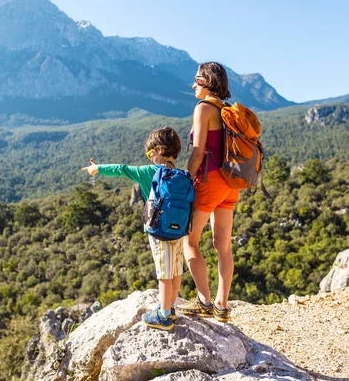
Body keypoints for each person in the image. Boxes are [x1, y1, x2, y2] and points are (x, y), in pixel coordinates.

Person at [82, 127, 184, 331]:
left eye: (150, 153)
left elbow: (122, 169)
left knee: (163, 272)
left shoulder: (148, 172)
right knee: (176, 269)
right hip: (179, 229)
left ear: (160, 149)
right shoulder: (182, 174)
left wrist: (97, 169)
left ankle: (164, 316)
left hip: (158, 230)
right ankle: (171, 307)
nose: (149, 157)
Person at [176, 62, 238, 322]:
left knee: (189, 241)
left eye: (196, 79)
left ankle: (204, 301)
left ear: (207, 80)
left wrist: (185, 180)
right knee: (222, 246)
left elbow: (198, 151)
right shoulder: (226, 110)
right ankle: (222, 306)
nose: (193, 85)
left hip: (210, 181)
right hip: (230, 183)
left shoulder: (204, 108)